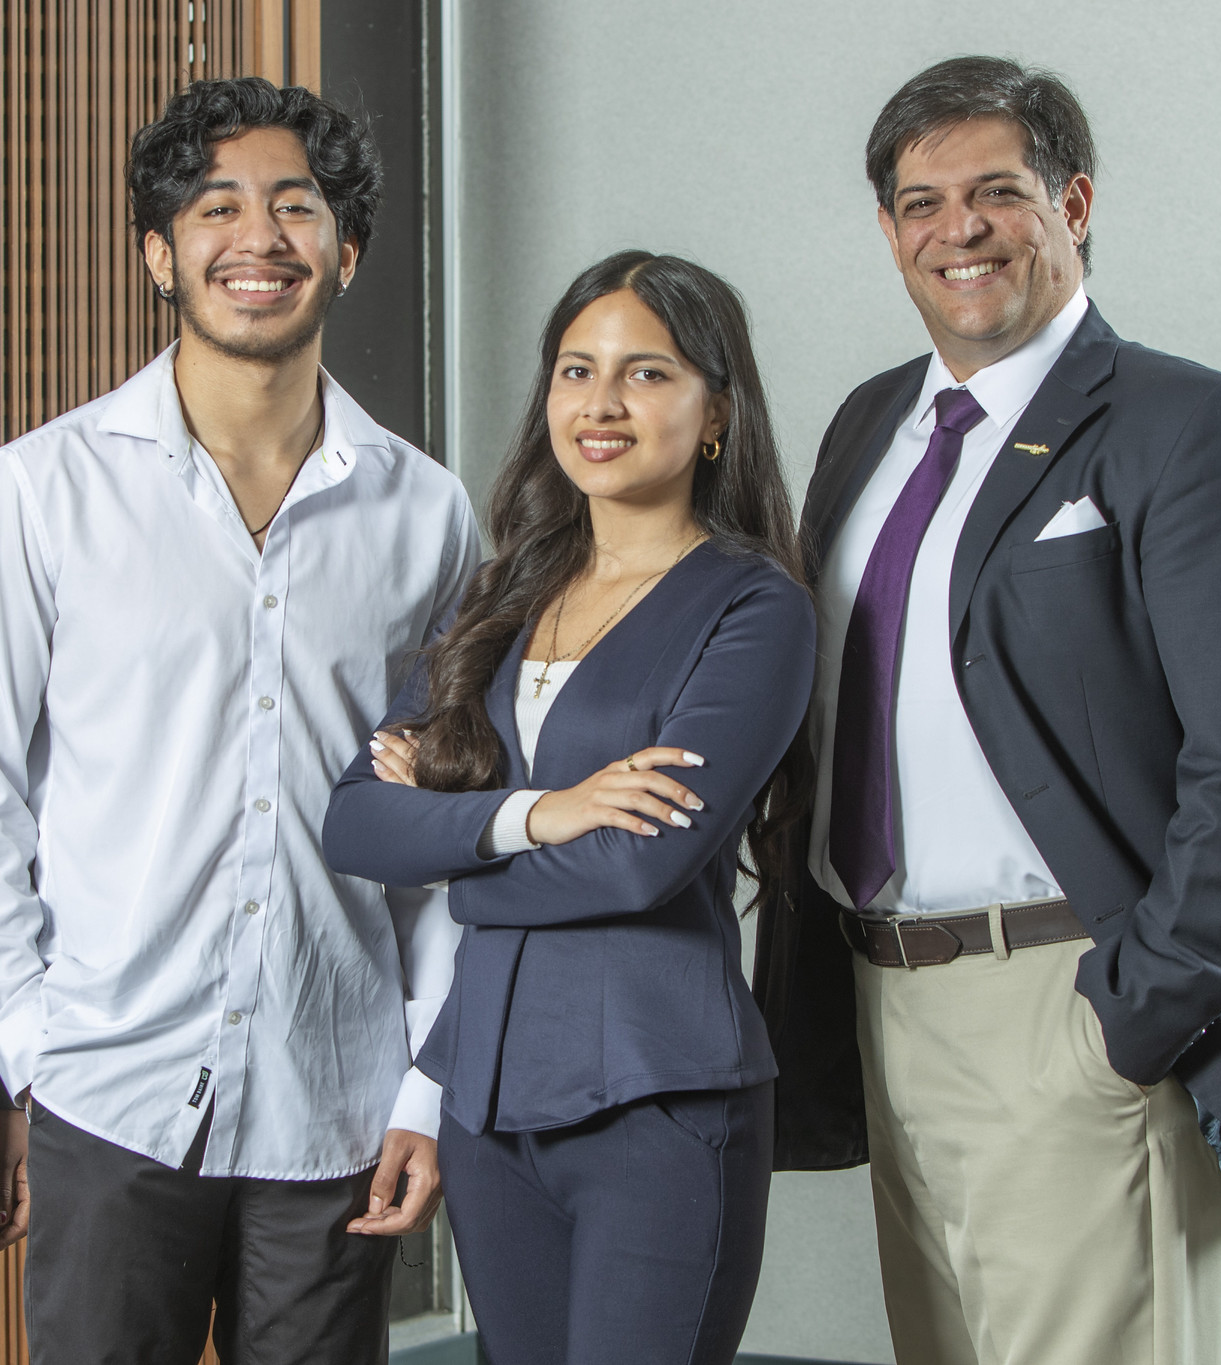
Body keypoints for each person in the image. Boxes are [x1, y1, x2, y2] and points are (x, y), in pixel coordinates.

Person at [751, 56, 1221, 1365]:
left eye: (996, 193)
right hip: (885, 1006)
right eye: (919, 203)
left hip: (1065, 1004)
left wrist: (1123, 1022)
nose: (956, 229)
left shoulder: (1189, 426)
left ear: (1073, 203)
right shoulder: (870, 428)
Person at [0, 76, 480, 1364]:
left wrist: (421, 1082)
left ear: (348, 249)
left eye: (297, 205)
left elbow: (440, 821)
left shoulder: (425, 513)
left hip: (333, 1103)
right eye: (216, 206)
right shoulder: (40, 490)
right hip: (104, 1093)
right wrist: (27, 1043)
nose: (259, 238)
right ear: (156, 255)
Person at [324, 251, 813, 1365]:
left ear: (714, 414)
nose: (598, 405)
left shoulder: (751, 608)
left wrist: (449, 839)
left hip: (658, 1098)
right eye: (574, 371)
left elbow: (639, 866)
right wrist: (533, 816)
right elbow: (353, 825)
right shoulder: (496, 596)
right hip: (486, 1105)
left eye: (645, 375)